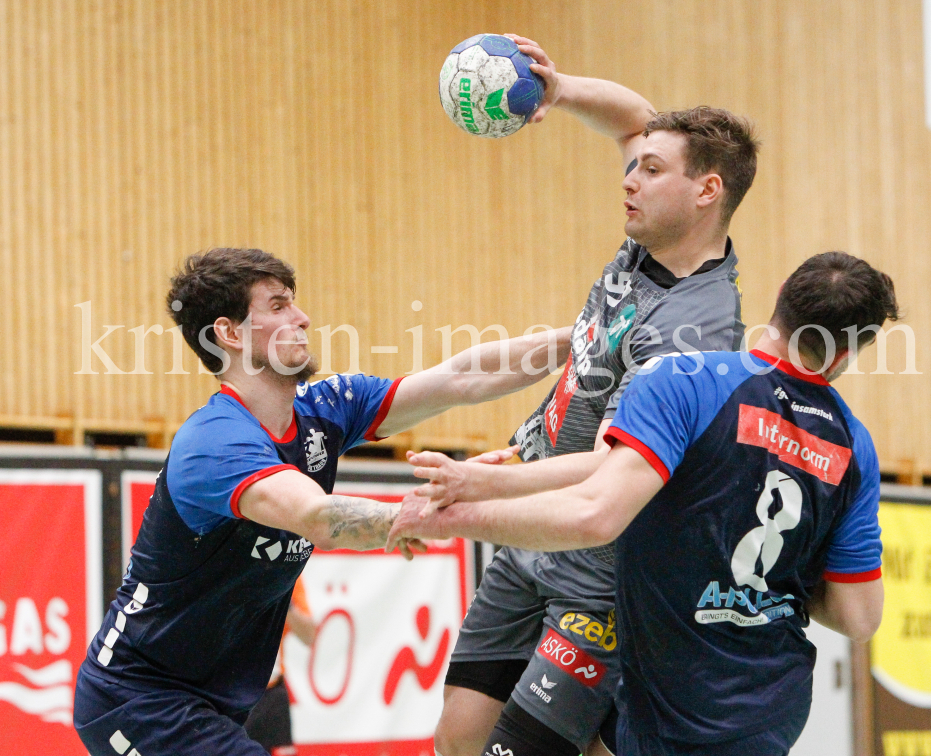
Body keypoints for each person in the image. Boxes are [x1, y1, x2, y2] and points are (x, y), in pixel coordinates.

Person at [389, 251, 896, 756]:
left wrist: (456, 513)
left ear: (782, 292)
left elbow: (595, 510)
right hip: (768, 706)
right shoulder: (855, 446)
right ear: (847, 353)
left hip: (668, 691)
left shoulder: (685, 380)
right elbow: (859, 618)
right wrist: (770, 579)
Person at [73, 247, 569, 756]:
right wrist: (438, 507)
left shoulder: (324, 409)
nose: (303, 317)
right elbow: (318, 516)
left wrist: (583, 340)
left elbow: (461, 378)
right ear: (230, 333)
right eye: (278, 305)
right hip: (136, 698)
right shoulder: (215, 441)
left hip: (213, 703)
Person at [414, 34, 759, 756]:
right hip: (525, 539)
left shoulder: (693, 326)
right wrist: (561, 89)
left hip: (597, 569)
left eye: (651, 171)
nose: (629, 179)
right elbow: (636, 116)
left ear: (707, 191)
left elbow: (611, 465)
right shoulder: (647, 246)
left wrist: (480, 485)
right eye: (635, 167)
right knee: (457, 739)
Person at [244, 577, 315, 756]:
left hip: (269, 691)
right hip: (226, 693)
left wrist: (284, 596)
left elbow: (309, 635)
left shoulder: (288, 573)